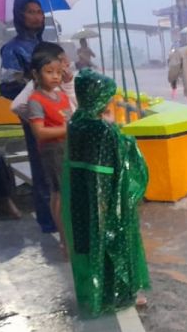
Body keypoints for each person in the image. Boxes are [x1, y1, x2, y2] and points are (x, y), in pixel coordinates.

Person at [63, 69, 149, 315]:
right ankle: (118, 295)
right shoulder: (103, 130)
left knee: (90, 244)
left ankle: (95, 291)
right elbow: (123, 160)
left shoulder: (75, 122)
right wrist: (123, 137)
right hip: (108, 196)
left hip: (82, 196)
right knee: (114, 241)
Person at [0, 0, 56, 233]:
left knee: (59, 163)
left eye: (39, 12)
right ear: (20, 16)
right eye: (31, 12)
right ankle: (49, 219)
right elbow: (6, 86)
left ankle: (64, 214)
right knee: (42, 166)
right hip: (35, 114)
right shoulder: (12, 49)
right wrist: (34, 82)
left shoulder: (47, 46)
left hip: (57, 111)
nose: (36, 17)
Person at [27, 42, 72, 253]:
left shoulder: (61, 95)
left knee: (66, 193)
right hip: (53, 151)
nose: (55, 76)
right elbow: (40, 132)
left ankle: (69, 235)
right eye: (49, 72)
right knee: (59, 194)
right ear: (36, 74)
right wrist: (67, 129)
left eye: (57, 71)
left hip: (67, 148)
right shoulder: (35, 100)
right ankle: (64, 240)